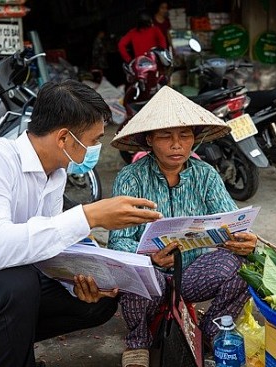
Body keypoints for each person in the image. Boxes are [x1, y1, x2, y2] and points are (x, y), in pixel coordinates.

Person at [0, 79, 163, 367]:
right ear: (64, 138)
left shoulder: (55, 175)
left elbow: (44, 249)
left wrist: (90, 276)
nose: (97, 147)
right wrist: (89, 216)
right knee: (16, 280)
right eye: (95, 139)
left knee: (99, 298)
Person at [108, 86, 258, 367]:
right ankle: (138, 339)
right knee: (130, 269)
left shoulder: (206, 175)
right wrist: (149, 257)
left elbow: (231, 220)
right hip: (151, 277)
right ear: (149, 139)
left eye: (185, 135)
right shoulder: (130, 178)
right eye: (165, 136)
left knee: (243, 265)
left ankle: (213, 332)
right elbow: (119, 241)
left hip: (192, 274)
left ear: (194, 139)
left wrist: (244, 239)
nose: (177, 144)